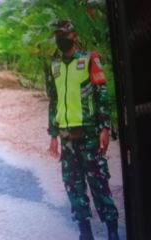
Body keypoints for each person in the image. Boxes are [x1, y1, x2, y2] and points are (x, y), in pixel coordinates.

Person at [46, 20, 119, 240]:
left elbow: (101, 93)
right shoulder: (54, 65)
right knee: (74, 188)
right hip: (67, 138)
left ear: (74, 36)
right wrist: (53, 136)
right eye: (57, 34)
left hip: (89, 136)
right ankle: (85, 233)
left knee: (99, 185)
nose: (60, 38)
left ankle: (113, 232)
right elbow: (54, 101)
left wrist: (104, 127)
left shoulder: (89, 60)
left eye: (64, 34)